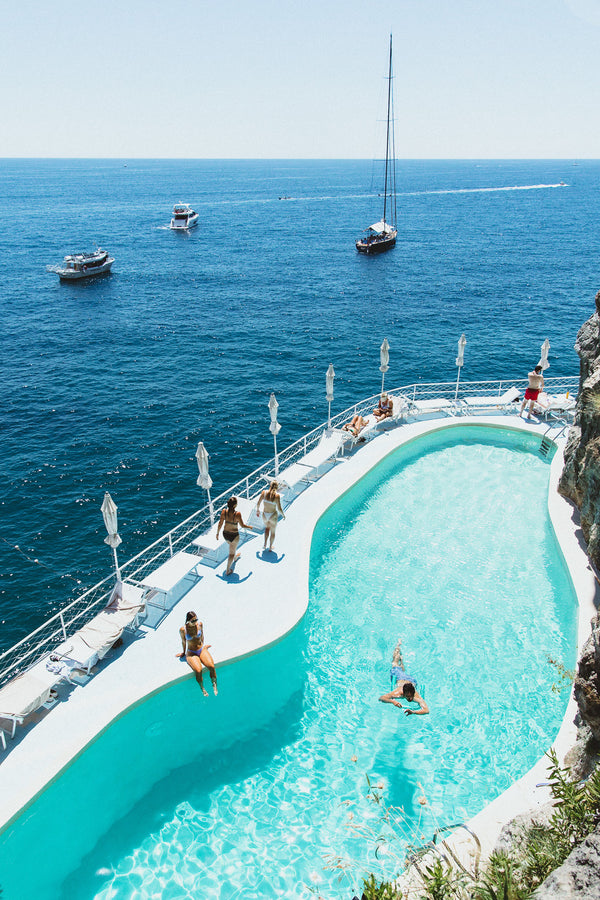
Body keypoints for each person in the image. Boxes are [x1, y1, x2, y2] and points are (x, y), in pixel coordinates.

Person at [379, 640, 429, 716]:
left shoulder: (416, 695)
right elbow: (381, 698)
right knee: (395, 663)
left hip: (411, 680)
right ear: (403, 693)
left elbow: (426, 710)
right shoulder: (398, 692)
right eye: (408, 697)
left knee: (397, 666)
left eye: (411, 696)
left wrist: (414, 712)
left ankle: (400, 657)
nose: (410, 699)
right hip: (400, 677)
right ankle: (398, 646)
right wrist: (393, 701)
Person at [177, 611, 217, 696]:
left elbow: (202, 635)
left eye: (196, 619)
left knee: (212, 666)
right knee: (199, 671)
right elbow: (183, 642)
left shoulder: (199, 625)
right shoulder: (183, 630)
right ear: (188, 621)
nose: (195, 622)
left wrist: (204, 646)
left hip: (201, 649)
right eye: (193, 621)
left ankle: (214, 684)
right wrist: (183, 653)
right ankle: (202, 688)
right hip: (192, 653)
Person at [216, 496, 252, 575]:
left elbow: (220, 523)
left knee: (232, 547)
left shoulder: (224, 512)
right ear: (235, 505)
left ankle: (235, 557)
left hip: (225, 534)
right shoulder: (237, 514)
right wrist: (249, 527)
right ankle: (227, 570)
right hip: (234, 535)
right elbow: (242, 526)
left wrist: (217, 533)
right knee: (231, 553)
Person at [255, 480, 285, 552]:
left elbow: (258, 503)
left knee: (267, 529)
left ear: (270, 486)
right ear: (277, 487)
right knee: (273, 532)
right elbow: (279, 508)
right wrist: (283, 515)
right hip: (273, 516)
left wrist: (258, 510)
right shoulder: (277, 496)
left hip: (265, 515)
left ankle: (265, 544)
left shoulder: (264, 493)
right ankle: (270, 547)